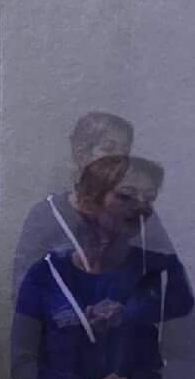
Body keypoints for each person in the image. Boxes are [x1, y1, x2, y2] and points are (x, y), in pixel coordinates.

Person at [10, 156, 195, 379]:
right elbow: (22, 371)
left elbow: (187, 362)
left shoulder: (163, 275)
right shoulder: (44, 276)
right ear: (87, 203)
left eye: (149, 198)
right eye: (126, 196)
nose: (142, 208)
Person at [9, 110, 176, 308]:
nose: (119, 158)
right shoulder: (46, 215)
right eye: (109, 148)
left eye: (125, 151)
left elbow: (170, 278)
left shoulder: (139, 212)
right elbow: (24, 288)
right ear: (80, 154)